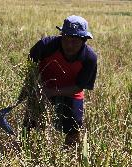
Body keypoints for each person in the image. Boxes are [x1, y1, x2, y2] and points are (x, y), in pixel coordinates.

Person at [22, 15, 97, 147]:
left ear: (84, 40)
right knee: (30, 122)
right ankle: (24, 148)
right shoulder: (45, 46)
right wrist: (34, 87)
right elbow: (31, 66)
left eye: (75, 41)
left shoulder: (89, 58)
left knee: (74, 127)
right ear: (61, 35)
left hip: (70, 92)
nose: (69, 45)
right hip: (43, 87)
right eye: (66, 39)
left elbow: (79, 87)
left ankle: (68, 155)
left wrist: (51, 92)